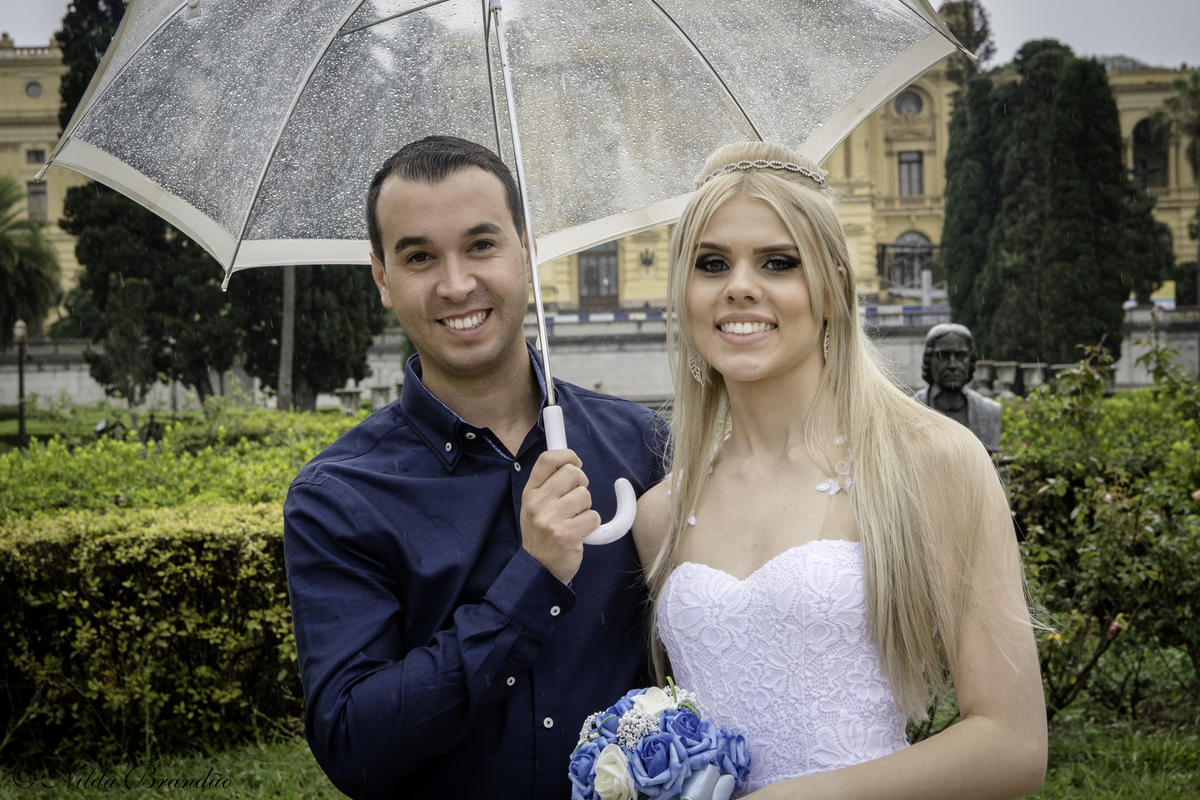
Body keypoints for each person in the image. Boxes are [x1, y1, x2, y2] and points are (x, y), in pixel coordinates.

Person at [631, 142, 1046, 798]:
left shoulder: (927, 463)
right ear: (684, 294)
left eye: (778, 262)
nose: (740, 284)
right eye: (711, 263)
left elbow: (1014, 745)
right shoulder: (661, 511)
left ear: (834, 287)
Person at [284, 136, 665, 799]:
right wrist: (531, 579)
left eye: (481, 246)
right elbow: (354, 745)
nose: (456, 283)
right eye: (420, 257)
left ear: (527, 249)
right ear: (382, 279)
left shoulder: (640, 447)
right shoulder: (339, 497)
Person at [914, 323, 1001, 452]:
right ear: (929, 360)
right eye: (942, 355)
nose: (952, 365)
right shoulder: (911, 409)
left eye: (961, 355)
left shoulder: (990, 411)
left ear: (970, 360)